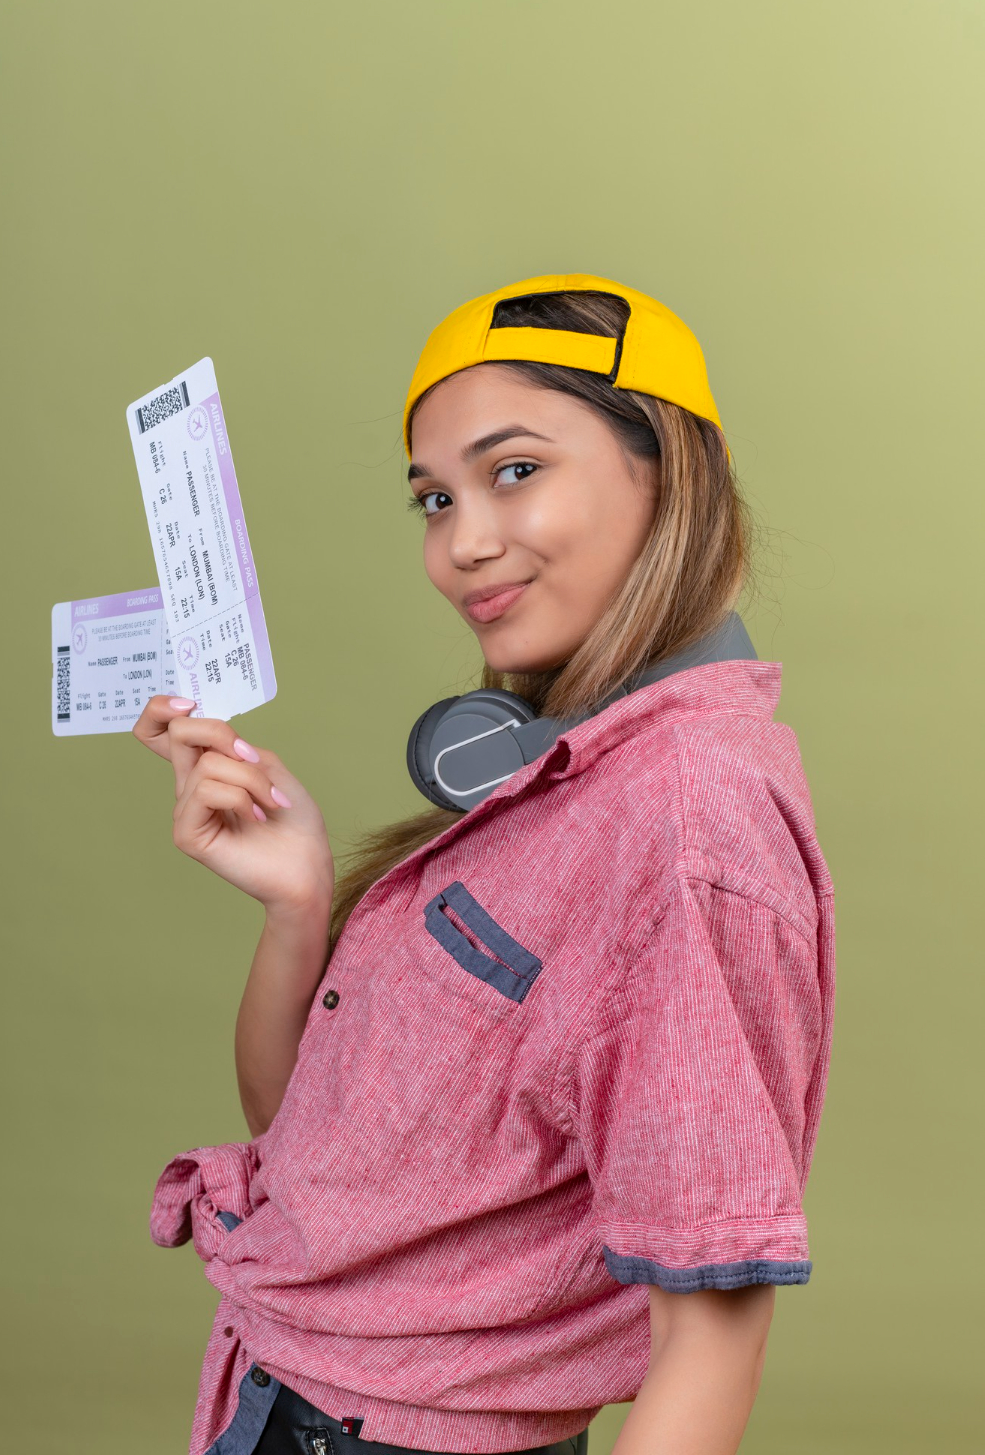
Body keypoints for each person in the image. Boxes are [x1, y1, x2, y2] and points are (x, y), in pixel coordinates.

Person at [135, 273, 836, 1455]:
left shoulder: (679, 824)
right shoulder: (560, 785)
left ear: (665, 470)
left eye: (515, 471)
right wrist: (301, 902)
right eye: (430, 497)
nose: (461, 543)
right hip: (284, 1397)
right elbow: (309, 1150)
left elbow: (712, 1337)